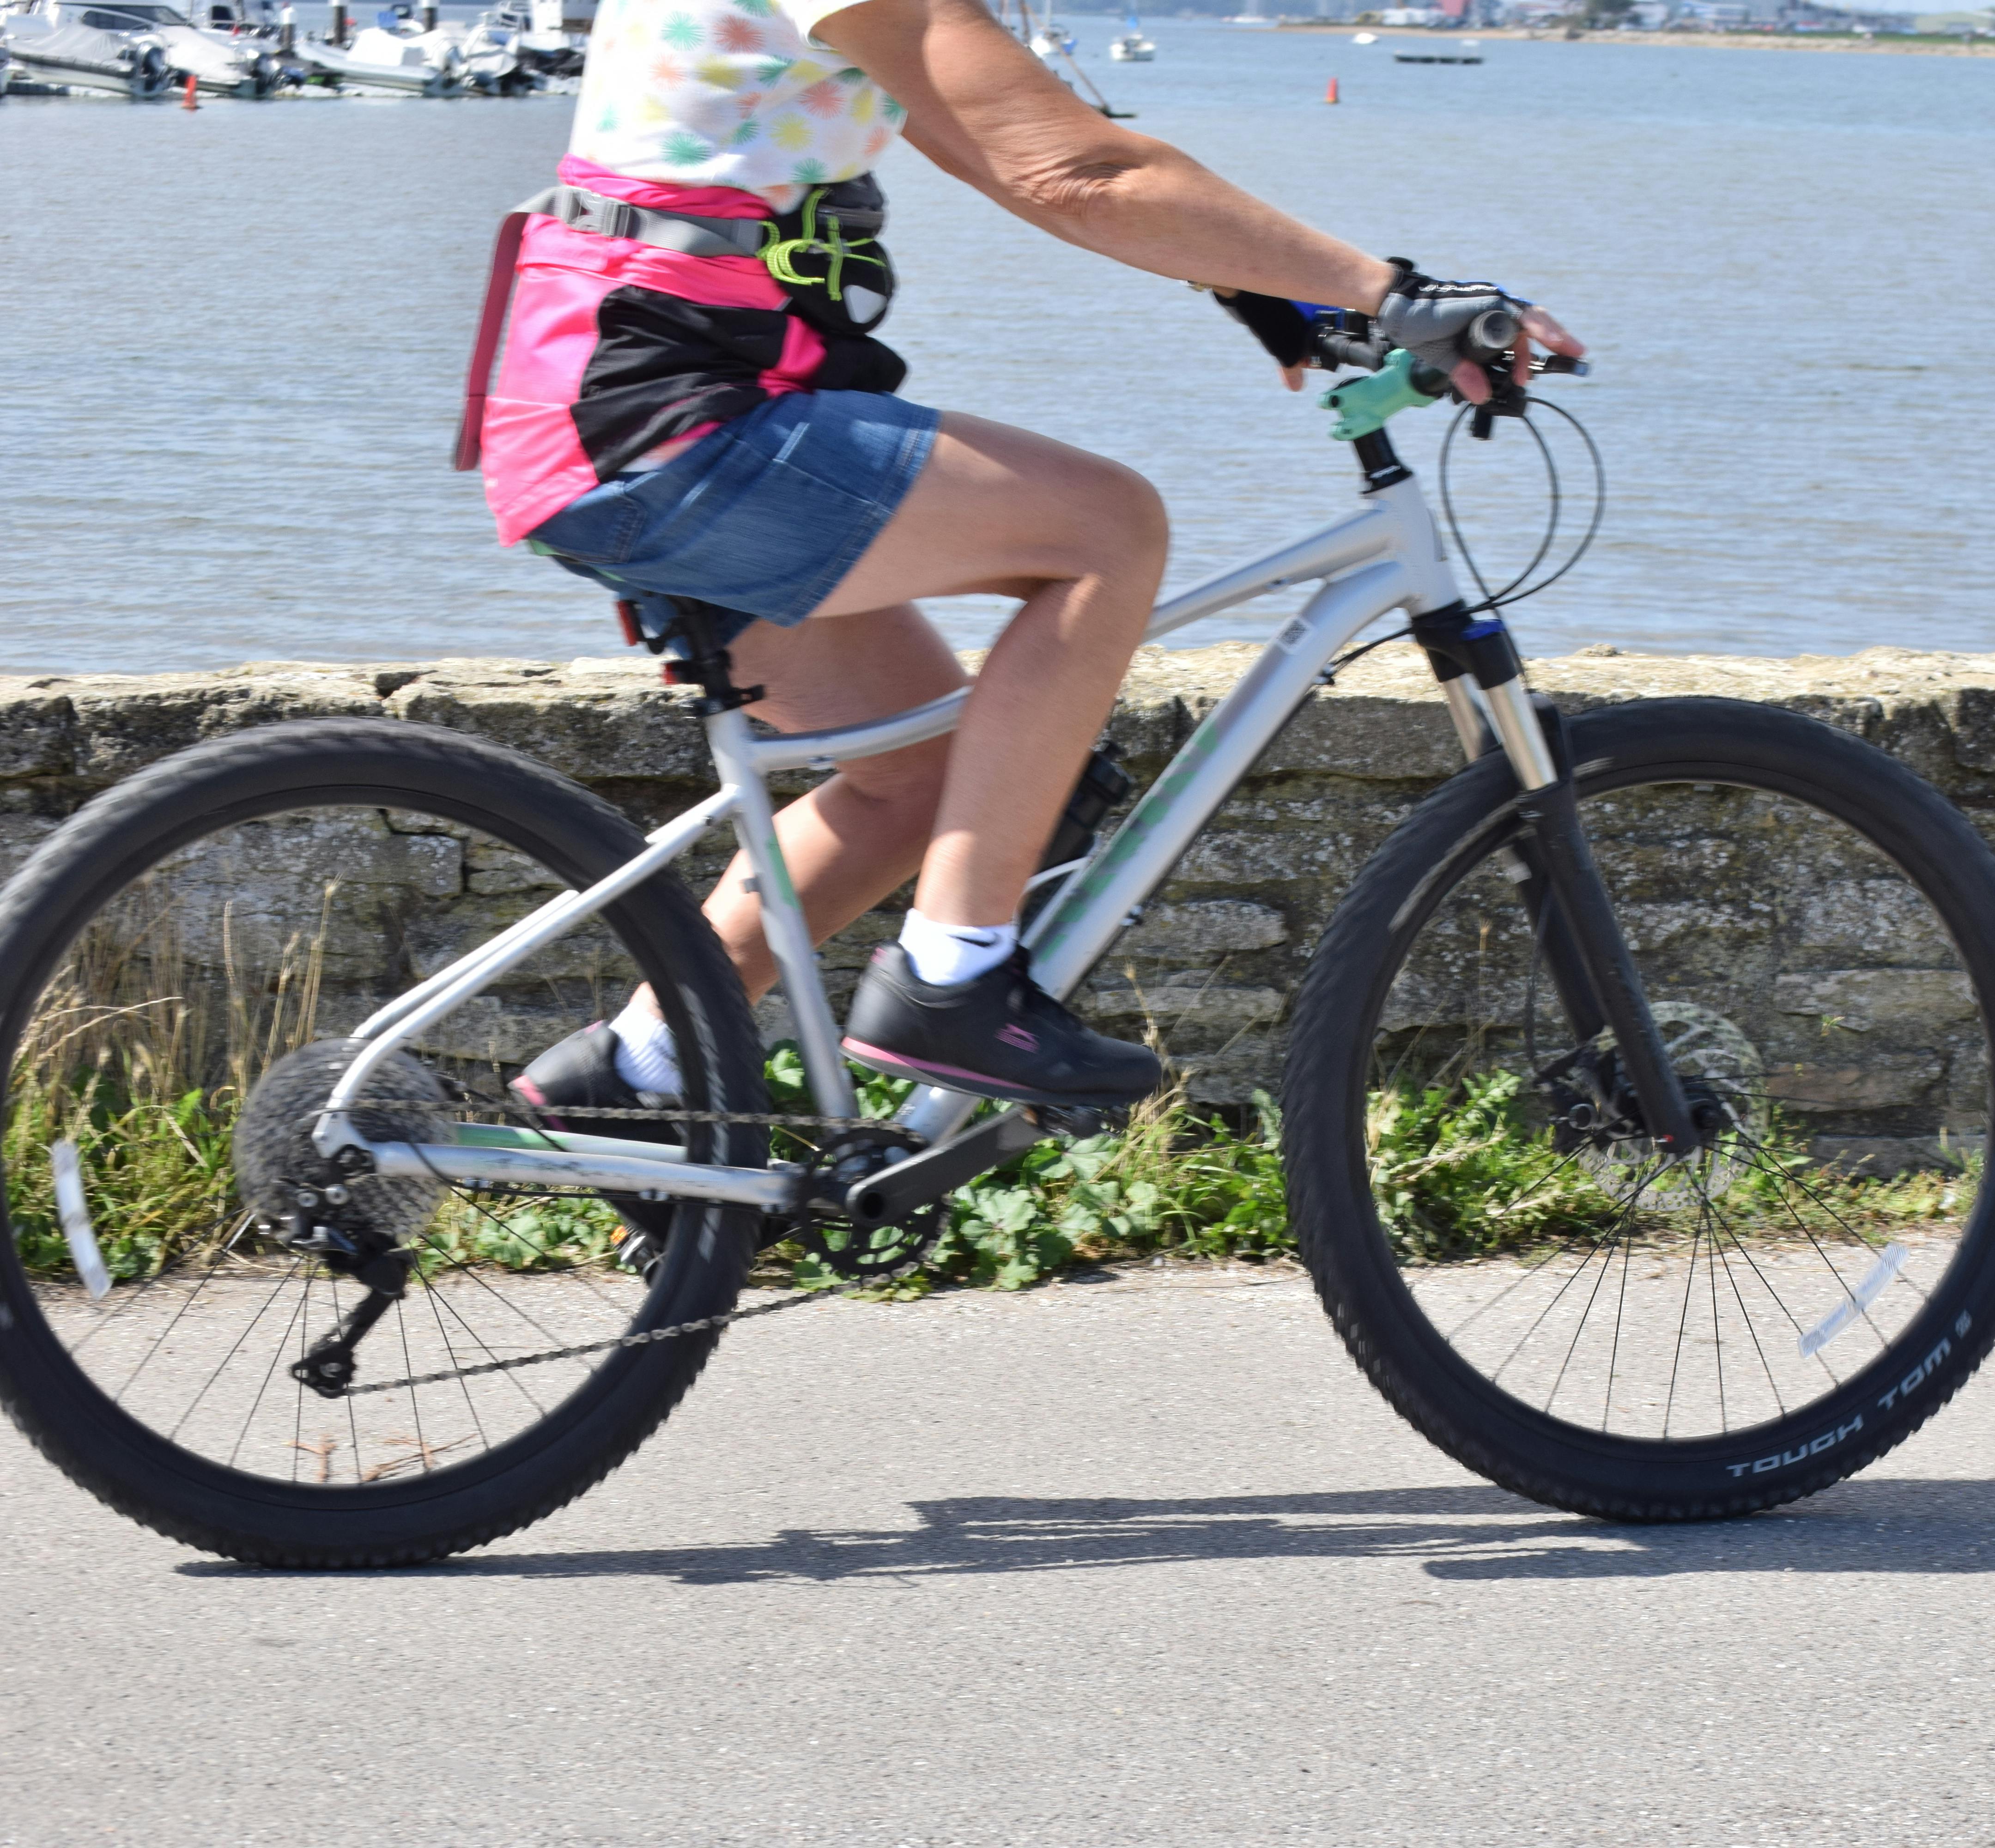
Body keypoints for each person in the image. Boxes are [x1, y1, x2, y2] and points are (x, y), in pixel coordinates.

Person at [472, 0, 1582, 1143]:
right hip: (667, 416)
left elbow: (1007, 148)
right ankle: (954, 976)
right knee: (1106, 529)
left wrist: (1268, 287)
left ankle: (643, 1068)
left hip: (604, 408)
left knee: (919, 778)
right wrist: (1391, 291)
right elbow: (1076, 171)